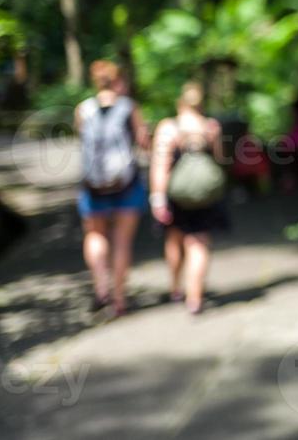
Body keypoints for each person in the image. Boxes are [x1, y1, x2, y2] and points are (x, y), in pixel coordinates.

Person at [75, 59, 149, 317]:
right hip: (126, 184)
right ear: (116, 80)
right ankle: (119, 300)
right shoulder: (129, 107)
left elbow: (82, 142)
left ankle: (101, 288)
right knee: (121, 242)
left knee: (95, 235)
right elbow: (143, 143)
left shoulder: (83, 109)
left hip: (93, 186)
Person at [150, 82, 228, 314]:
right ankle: (195, 298)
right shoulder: (211, 126)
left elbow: (160, 166)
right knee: (198, 242)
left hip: (177, 194)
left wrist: (157, 197)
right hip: (203, 195)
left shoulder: (169, 127)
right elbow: (221, 159)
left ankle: (176, 288)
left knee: (174, 239)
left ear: (180, 102)